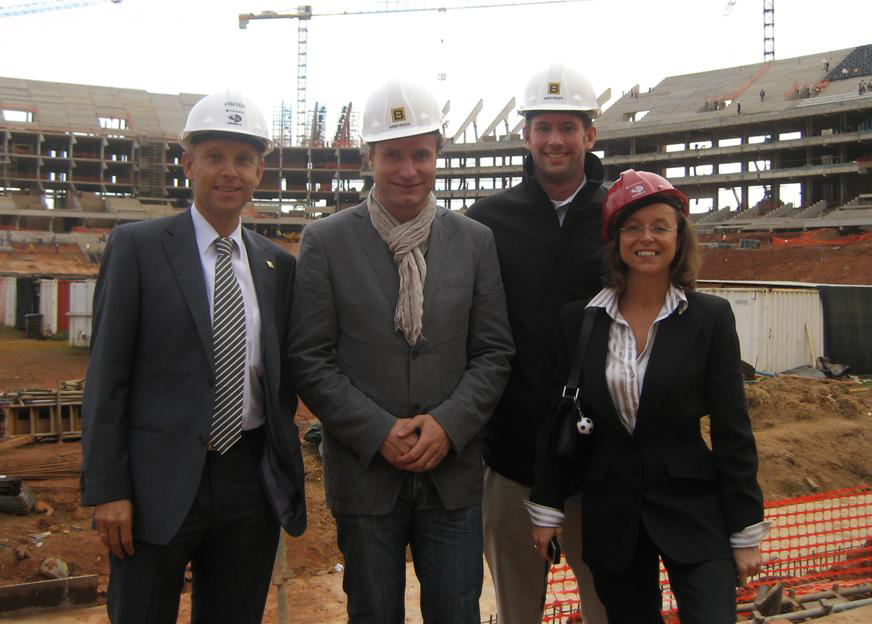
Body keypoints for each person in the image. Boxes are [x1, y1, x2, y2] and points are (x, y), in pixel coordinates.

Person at [289, 79, 514, 623]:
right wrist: (377, 431)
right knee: (372, 613)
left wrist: (448, 424)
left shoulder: (473, 241)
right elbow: (310, 358)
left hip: (452, 472)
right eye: (393, 155)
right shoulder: (327, 241)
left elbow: (493, 352)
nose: (408, 170)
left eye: (420, 154)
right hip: (367, 477)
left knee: (456, 613)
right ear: (370, 157)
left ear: (437, 153)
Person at [80, 90, 306, 623]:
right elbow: (107, 376)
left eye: (243, 160)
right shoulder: (137, 247)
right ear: (188, 164)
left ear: (259, 172)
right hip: (155, 482)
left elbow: (285, 375)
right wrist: (109, 489)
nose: (230, 172)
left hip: (249, 481)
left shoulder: (276, 266)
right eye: (215, 157)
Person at [529, 169, 768, 624]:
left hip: (693, 509)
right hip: (612, 513)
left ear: (679, 237)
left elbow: (732, 428)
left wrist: (744, 528)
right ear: (615, 239)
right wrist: (547, 506)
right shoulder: (580, 322)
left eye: (660, 226)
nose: (647, 238)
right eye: (633, 227)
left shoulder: (709, 318)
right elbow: (556, 417)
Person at [466, 64, 608, 624]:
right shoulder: (488, 221)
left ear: (589, 135)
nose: (554, 139)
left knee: (608, 606)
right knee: (516, 610)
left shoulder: (619, 216)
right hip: (513, 459)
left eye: (567, 126)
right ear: (525, 135)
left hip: (601, 463)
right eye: (542, 126)